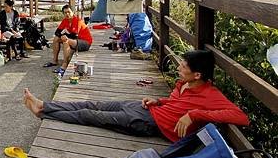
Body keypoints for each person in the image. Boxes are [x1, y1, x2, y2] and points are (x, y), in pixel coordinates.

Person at [25, 50, 249, 142]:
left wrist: (194, 115)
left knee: (89, 114)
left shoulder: (210, 94)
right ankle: (45, 104)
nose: (179, 68)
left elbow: (240, 117)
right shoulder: (184, 84)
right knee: (94, 103)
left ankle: (43, 113)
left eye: (183, 66)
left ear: (198, 74)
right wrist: (159, 101)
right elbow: (177, 102)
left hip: (147, 123)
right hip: (147, 108)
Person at [43, 5, 92, 75]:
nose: (67, 14)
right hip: (74, 41)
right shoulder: (65, 20)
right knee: (56, 39)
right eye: (65, 13)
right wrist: (62, 35)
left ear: (73, 12)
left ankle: (64, 65)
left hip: (85, 42)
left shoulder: (77, 20)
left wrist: (64, 36)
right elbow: (57, 32)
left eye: (69, 12)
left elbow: (75, 36)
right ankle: (55, 61)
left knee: (66, 40)